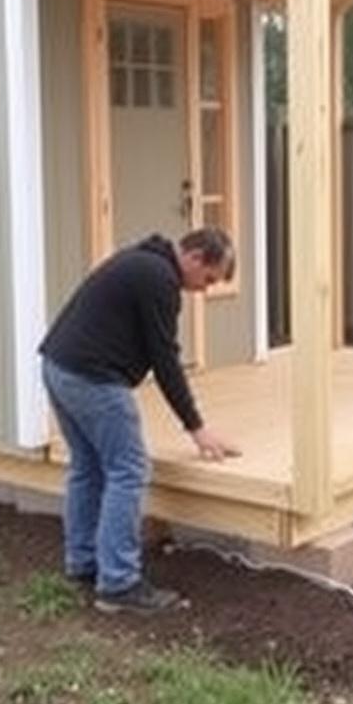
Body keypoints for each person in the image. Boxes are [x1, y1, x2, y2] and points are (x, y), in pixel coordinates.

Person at [39, 227, 240, 615]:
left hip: (58, 367)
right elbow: (165, 360)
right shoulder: (159, 279)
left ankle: (83, 563)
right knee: (129, 469)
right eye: (208, 278)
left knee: (87, 467)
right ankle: (118, 583)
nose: (205, 289)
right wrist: (197, 427)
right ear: (195, 257)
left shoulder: (141, 262)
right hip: (93, 377)